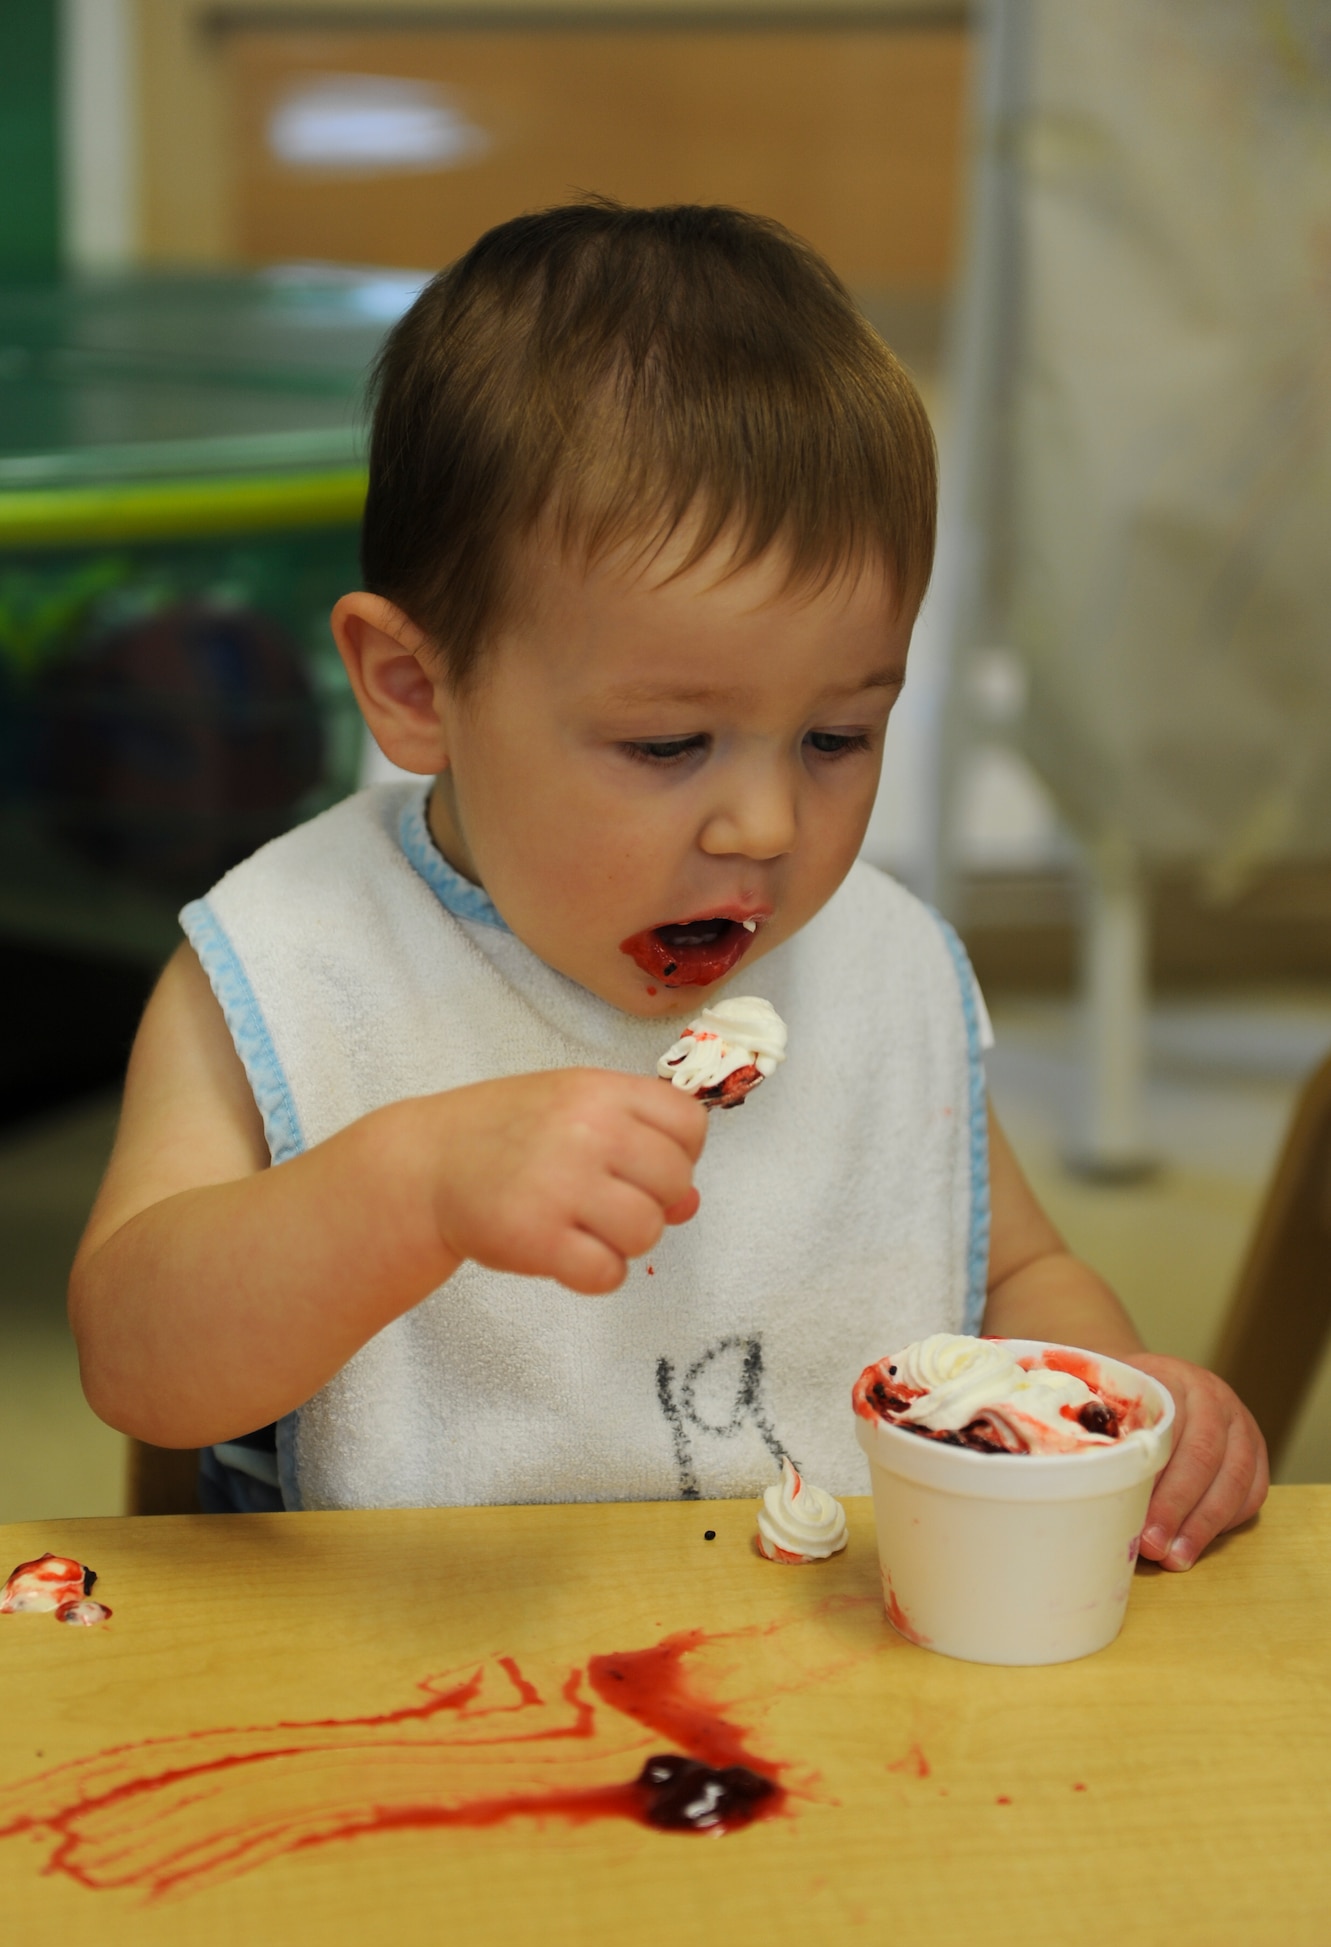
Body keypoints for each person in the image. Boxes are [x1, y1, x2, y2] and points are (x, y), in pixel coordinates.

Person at [69, 201, 1266, 1569]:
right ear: (417, 689)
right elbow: (137, 1362)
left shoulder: (874, 965)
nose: (762, 823)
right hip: (395, 1689)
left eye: (837, 738)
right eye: (666, 744)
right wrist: (408, 1189)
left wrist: (1115, 1406)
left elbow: (1014, 1274)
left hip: (836, 1675)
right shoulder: (290, 965)